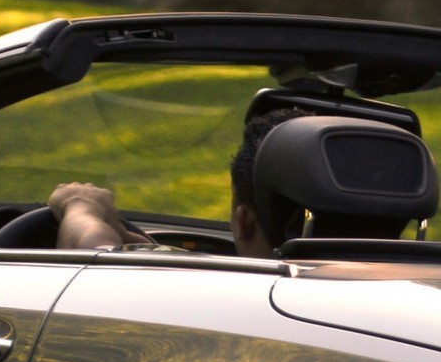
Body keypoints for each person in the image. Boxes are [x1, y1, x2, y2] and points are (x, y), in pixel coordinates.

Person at [47, 106, 295, 255]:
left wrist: (80, 208)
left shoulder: (229, 296)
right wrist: (126, 236)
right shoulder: (328, 286)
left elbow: (99, 260)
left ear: (244, 221)